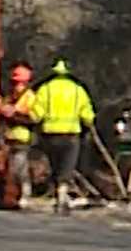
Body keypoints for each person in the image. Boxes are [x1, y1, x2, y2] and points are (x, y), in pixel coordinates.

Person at [29, 59, 94, 214]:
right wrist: (89, 122)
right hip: (71, 136)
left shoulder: (46, 89)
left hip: (50, 135)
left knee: (55, 166)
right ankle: (62, 195)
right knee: (66, 168)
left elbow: (36, 115)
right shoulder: (79, 90)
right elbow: (88, 116)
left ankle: (57, 194)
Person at [0, 62, 37, 209]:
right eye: (14, 83)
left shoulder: (30, 97)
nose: (16, 86)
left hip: (21, 139)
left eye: (18, 83)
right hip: (7, 139)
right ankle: (4, 197)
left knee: (20, 170)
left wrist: (13, 114)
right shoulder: (9, 96)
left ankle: (25, 195)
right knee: (6, 171)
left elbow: (33, 118)